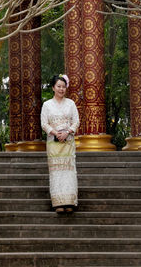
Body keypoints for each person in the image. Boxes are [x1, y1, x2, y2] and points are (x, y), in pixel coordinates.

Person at [40, 73, 80, 213]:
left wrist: (67, 132)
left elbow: (76, 121)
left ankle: (70, 202)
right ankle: (58, 203)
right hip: (53, 142)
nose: (61, 89)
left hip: (68, 142)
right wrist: (55, 133)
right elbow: (44, 123)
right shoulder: (47, 105)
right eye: (58, 86)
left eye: (63, 87)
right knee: (56, 172)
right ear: (53, 88)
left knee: (68, 172)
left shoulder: (71, 104)